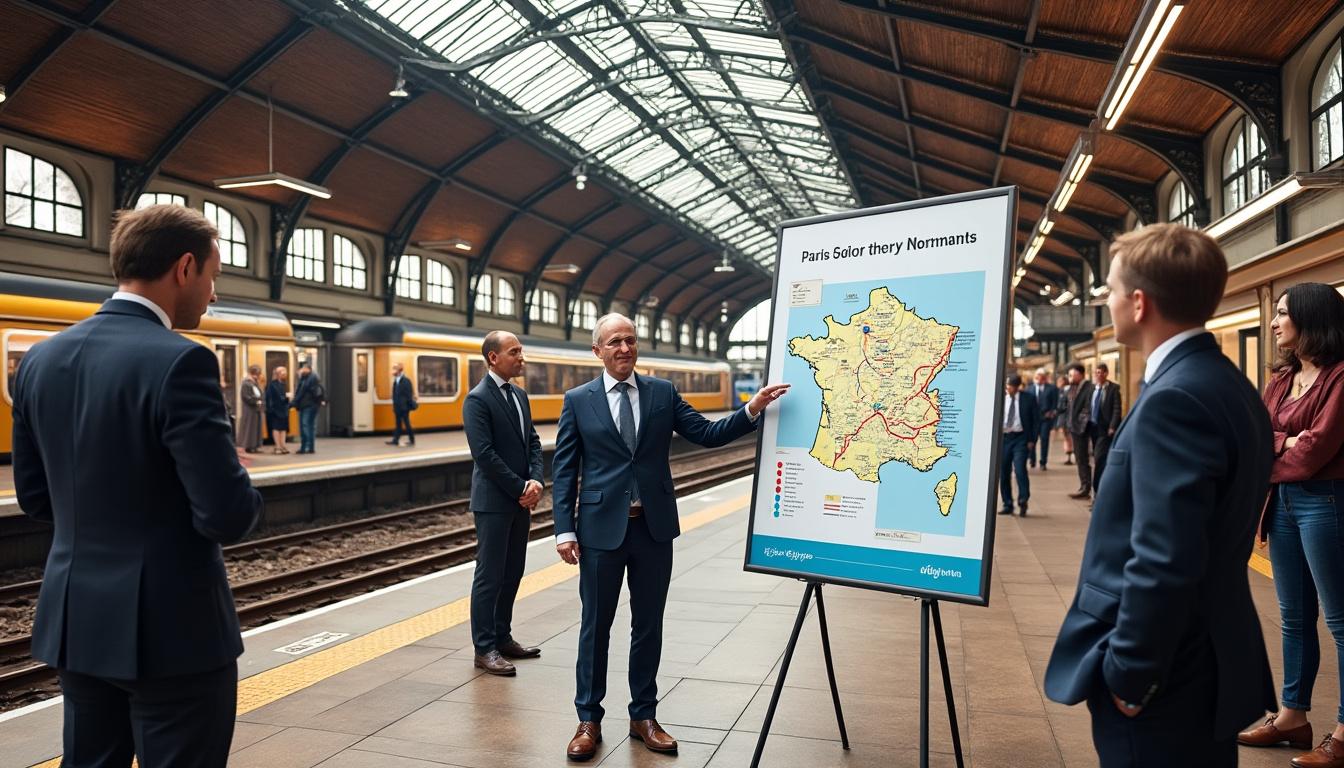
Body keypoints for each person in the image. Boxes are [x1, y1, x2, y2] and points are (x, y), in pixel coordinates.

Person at [10, 204, 262, 768]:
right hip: (173, 631)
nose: (214, 294)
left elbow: (35, 498)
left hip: (77, 622)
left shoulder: (39, 362)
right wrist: (241, 478)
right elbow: (226, 515)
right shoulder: (181, 363)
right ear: (185, 267)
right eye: (214, 277)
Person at [1044, 223, 1275, 767]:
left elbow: (1165, 556)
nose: (1108, 300)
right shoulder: (1226, 383)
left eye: (1112, 290)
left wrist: (1130, 676)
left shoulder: (1175, 398)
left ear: (1140, 303)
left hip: (1167, 674)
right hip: (1209, 656)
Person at [552, 313, 788, 761]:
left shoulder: (662, 393)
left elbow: (706, 433)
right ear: (597, 351)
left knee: (648, 626)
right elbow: (564, 471)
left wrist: (751, 409)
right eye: (615, 342)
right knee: (595, 627)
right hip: (600, 531)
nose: (625, 348)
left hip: (653, 530)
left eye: (631, 340)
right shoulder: (578, 401)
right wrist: (564, 528)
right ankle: (588, 720)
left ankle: (643, 716)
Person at [1237, 282, 1344, 767]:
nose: (1275, 321)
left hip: (1327, 502)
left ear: (1311, 318)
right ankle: (1293, 716)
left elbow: (1315, 451)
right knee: (1295, 617)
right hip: (1280, 503)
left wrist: (1281, 447)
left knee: (1342, 621)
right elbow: (1259, 438)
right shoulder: (1281, 379)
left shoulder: (1340, 378)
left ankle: (1343, 731)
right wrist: (1285, 442)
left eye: (1283, 313)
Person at [462, 331, 545, 677]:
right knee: (489, 574)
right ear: (494, 358)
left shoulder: (520, 396)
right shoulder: (477, 400)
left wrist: (537, 480)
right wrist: (520, 488)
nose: (521, 357)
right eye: (514, 352)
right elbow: (485, 455)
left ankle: (502, 636)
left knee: (512, 571)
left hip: (519, 500)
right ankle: (484, 648)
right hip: (495, 502)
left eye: (521, 350)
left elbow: (534, 443)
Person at [999, 373, 1040, 516]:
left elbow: (1036, 421)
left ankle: (1023, 500)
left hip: (1021, 439)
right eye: (1007, 386)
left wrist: (1032, 440)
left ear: (1017, 387)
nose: (1007, 388)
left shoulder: (1029, 399)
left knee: (1020, 469)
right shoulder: (1000, 398)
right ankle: (1007, 504)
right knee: (1003, 472)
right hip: (1004, 439)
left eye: (1009, 386)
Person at [1088, 362, 1123, 492]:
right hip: (1092, 427)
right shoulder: (1092, 389)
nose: (1098, 375)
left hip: (1105, 428)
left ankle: (1097, 489)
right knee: (1098, 457)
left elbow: (1116, 409)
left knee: (1099, 457)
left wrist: (1113, 426)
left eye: (1100, 372)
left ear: (1106, 373)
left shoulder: (1113, 389)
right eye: (1096, 373)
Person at [1065, 362, 1096, 500]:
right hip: (1074, 428)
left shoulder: (1089, 387)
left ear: (1080, 374)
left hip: (1081, 429)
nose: (1070, 377)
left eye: (1073, 374)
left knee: (1083, 458)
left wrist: (1080, 426)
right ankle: (1083, 485)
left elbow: (1088, 409)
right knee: (1079, 458)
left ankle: (1086, 487)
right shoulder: (1073, 387)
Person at [290, 363, 325, 454]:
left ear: (308, 369)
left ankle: (306, 447)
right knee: (308, 426)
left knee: (305, 426)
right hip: (308, 405)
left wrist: (293, 403)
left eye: (302, 369)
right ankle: (309, 447)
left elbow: (301, 392)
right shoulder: (308, 377)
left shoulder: (310, 378)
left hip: (308, 405)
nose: (301, 370)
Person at [1029, 368, 1059, 470]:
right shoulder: (1030, 389)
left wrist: (1052, 412)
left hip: (1045, 419)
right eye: (1037, 376)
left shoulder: (1052, 388)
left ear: (1045, 378)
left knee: (1044, 439)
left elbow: (1055, 402)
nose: (1039, 378)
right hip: (1033, 420)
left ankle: (1043, 462)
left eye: (1041, 376)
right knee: (1032, 440)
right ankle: (1032, 460)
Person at [387, 361, 416, 446]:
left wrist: (408, 406)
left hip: (404, 407)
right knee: (398, 424)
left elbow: (409, 395)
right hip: (397, 407)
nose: (393, 371)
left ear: (399, 370)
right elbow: (395, 394)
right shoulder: (396, 381)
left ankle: (412, 440)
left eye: (395, 369)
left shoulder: (406, 381)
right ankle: (395, 440)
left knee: (407, 424)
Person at [237, 364, 264, 453]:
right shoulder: (246, 383)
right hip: (249, 408)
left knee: (255, 426)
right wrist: (255, 401)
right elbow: (245, 396)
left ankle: (255, 445)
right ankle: (249, 445)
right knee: (249, 427)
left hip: (255, 408)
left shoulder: (254, 383)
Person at [265, 366, 289, 454]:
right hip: (275, 409)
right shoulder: (272, 385)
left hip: (283, 409)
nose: (285, 375)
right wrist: (270, 409)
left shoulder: (283, 384)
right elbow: (269, 398)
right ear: (278, 374)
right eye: (283, 373)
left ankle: (283, 445)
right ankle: (278, 446)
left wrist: (287, 400)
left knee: (283, 428)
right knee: (276, 428)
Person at [1056, 373, 1075, 465]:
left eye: (1059, 381)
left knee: (1068, 437)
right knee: (1068, 437)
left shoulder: (1065, 391)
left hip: (1066, 418)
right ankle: (1069, 454)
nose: (1058, 383)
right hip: (1066, 418)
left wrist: (1058, 409)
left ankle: (1069, 454)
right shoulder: (1063, 390)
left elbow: (1062, 406)